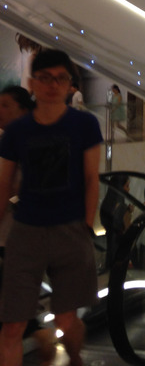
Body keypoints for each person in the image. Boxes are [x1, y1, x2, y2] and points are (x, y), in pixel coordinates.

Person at [0, 49, 103, 366]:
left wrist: (86, 226)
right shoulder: (18, 131)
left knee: (66, 319)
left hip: (70, 229)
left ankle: (75, 358)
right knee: (12, 325)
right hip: (26, 232)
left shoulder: (84, 124)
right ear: (33, 83)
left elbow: (91, 180)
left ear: (70, 84)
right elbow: (3, 185)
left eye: (60, 78)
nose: (52, 85)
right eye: (45, 78)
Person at [0, 86, 56, 366]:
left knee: (17, 323)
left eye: (5, 105)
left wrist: (10, 196)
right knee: (18, 321)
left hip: (17, 242)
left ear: (22, 109)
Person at [99, 174, 133, 269]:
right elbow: (128, 230)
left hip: (110, 249)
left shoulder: (106, 205)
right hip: (121, 252)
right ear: (120, 188)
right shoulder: (122, 208)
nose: (128, 189)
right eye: (127, 186)